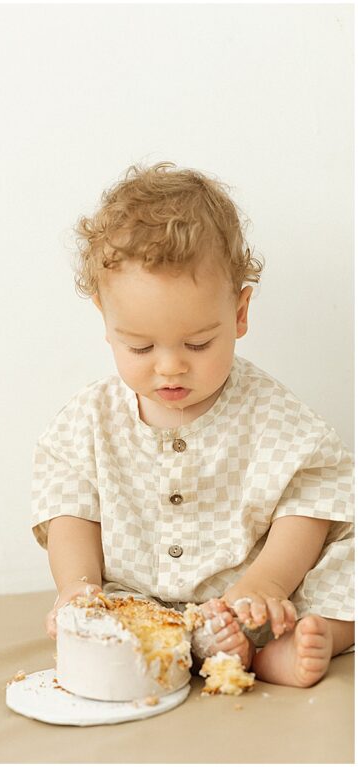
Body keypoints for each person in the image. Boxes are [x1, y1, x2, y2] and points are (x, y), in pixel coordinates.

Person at [31, 163, 354, 688]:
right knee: (105, 625)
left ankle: (288, 647)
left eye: (198, 344)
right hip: (137, 606)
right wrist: (78, 585)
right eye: (139, 346)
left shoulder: (274, 417)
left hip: (251, 602)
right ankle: (196, 650)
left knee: (346, 559)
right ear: (104, 320)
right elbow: (69, 509)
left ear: (240, 312)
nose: (170, 367)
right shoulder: (89, 421)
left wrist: (264, 584)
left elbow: (311, 503)